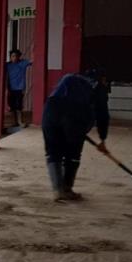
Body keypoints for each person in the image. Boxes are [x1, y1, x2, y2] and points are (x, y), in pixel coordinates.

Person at [42, 69, 110, 202]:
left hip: (50, 111)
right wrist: (102, 139)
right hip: (76, 115)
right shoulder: (99, 87)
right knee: (72, 154)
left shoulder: (68, 78)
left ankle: (57, 190)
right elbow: (103, 115)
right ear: (102, 79)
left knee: (53, 152)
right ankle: (67, 189)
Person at [6, 49, 32, 128]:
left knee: (19, 106)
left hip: (20, 88)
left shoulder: (22, 63)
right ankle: (15, 122)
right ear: (10, 57)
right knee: (12, 106)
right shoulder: (7, 65)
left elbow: (33, 61)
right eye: (13, 56)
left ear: (19, 57)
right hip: (10, 88)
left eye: (16, 56)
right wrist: (7, 88)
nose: (14, 58)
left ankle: (20, 121)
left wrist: (33, 50)